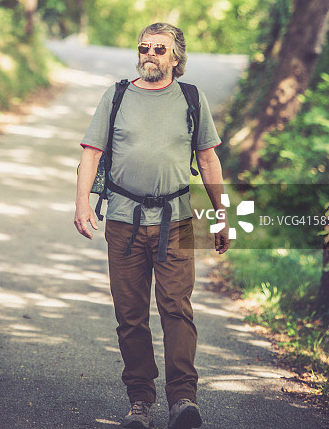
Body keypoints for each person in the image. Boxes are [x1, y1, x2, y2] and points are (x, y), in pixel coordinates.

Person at [74, 22, 230, 429]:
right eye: (144, 47)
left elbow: (209, 160)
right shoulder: (117, 95)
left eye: (159, 49)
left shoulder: (192, 98)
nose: (149, 54)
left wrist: (222, 213)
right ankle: (140, 402)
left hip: (175, 221)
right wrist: (82, 202)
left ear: (176, 58)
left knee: (177, 309)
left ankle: (183, 400)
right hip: (123, 221)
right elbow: (91, 153)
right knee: (130, 316)